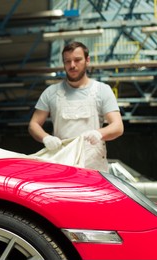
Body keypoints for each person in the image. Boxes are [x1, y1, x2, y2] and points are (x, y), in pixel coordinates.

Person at [28, 41, 124, 171]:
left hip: (93, 165)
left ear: (87, 60)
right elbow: (34, 124)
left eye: (77, 60)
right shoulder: (51, 92)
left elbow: (118, 126)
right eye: (67, 61)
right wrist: (46, 138)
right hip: (62, 162)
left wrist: (99, 133)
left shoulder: (102, 90)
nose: (72, 65)